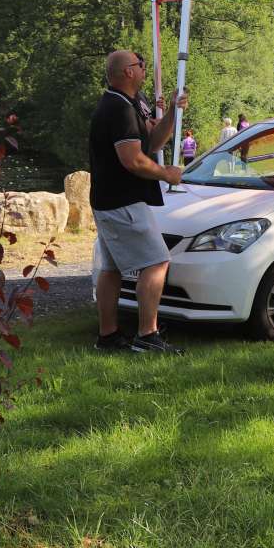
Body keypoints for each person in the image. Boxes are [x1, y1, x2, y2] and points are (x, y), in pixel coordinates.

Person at [90, 49, 189, 354]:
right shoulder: (117, 109)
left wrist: (172, 110)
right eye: (140, 64)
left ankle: (108, 336)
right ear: (127, 72)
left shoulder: (134, 103)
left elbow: (154, 141)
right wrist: (166, 174)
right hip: (122, 200)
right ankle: (147, 336)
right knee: (157, 260)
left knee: (111, 267)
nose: (145, 67)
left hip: (111, 199)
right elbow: (132, 160)